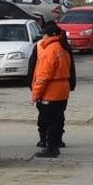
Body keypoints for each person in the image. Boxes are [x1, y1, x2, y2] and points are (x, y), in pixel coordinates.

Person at [28, 21, 77, 149]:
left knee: (49, 121)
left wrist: (35, 95)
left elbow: (43, 77)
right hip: (62, 90)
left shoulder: (50, 51)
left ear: (48, 35)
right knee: (58, 119)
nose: (42, 37)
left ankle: (51, 148)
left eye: (44, 34)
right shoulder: (63, 47)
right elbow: (71, 68)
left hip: (51, 92)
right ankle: (54, 145)